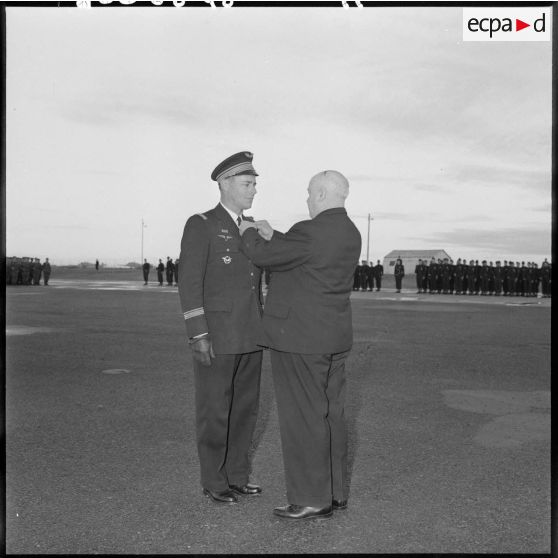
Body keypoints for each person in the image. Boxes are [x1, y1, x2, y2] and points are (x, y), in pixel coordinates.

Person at [239, 169, 361, 521]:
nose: (307, 199)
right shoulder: (348, 232)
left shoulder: (311, 230)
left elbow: (265, 257)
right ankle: (335, 493)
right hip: (333, 339)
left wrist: (249, 232)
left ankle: (310, 498)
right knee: (331, 416)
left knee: (303, 420)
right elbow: (302, 255)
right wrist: (273, 233)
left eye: (310, 193)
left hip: (301, 341)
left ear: (322, 194)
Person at [178, 151, 263, 505]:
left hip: (251, 334)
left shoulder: (252, 226)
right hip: (217, 336)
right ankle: (214, 480)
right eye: (247, 183)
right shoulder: (202, 224)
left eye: (255, 184)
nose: (253, 190)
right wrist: (198, 333)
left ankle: (238, 476)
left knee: (245, 410)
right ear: (224, 183)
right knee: (215, 410)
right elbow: (189, 281)